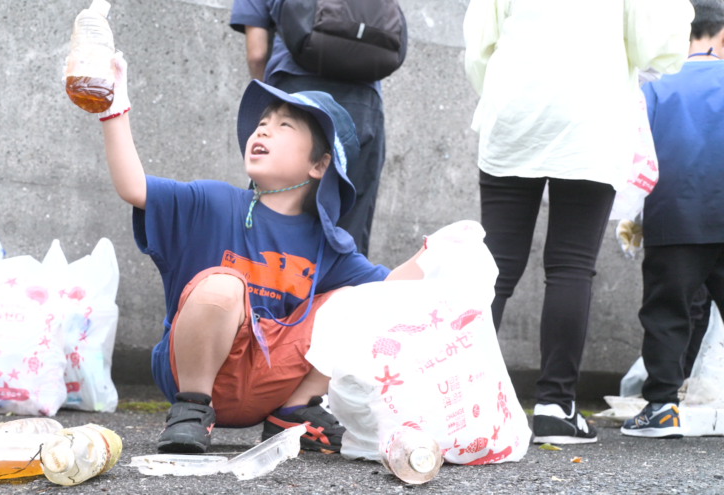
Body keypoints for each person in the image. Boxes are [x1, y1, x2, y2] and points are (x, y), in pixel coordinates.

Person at [90, 53, 427, 453]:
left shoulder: (327, 243)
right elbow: (134, 187)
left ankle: (295, 409)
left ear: (320, 164)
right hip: (196, 375)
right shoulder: (212, 202)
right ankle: (192, 409)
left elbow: (387, 291)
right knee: (223, 285)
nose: (263, 131)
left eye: (284, 125)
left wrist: (440, 252)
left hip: (273, 380)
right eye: (262, 123)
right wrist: (115, 109)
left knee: (352, 301)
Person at [463, 0, 694, 444]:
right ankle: (555, 405)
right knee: (571, 264)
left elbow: (478, 45)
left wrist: (506, 91)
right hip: (591, 114)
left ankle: (463, 399)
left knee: (496, 264)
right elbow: (656, 44)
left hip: (513, 110)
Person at [621, 0, 724, 439]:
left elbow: (635, 153)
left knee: (667, 311)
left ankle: (661, 407)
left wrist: (630, 216)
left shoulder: (655, 84)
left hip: (674, 215)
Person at [229, 0, 387, 257]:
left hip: (294, 95)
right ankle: (337, 294)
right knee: (348, 231)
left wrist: (270, 108)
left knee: (273, 218)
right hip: (362, 105)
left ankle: (269, 292)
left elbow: (256, 52)